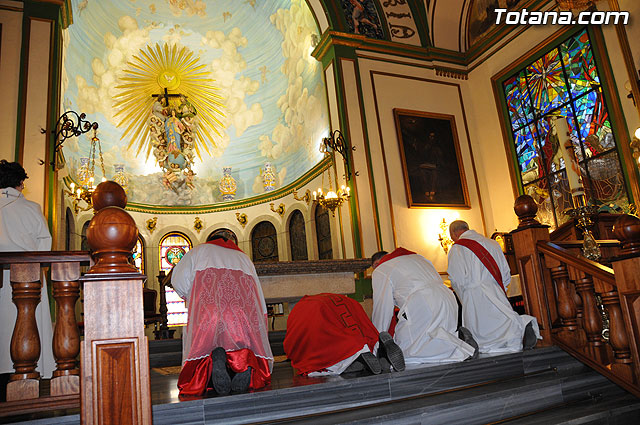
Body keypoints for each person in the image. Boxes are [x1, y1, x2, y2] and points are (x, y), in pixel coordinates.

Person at [171, 234, 273, 396]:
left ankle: (214, 363)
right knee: (242, 346)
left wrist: (189, 295)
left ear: (209, 240)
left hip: (207, 311)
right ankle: (243, 367)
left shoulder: (198, 252)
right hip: (240, 313)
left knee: (206, 348)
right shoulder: (244, 258)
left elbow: (178, 281)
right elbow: (257, 294)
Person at [0, 160, 56, 394]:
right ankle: (28, 372)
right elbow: (46, 245)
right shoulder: (30, 208)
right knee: (26, 324)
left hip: (3, 280)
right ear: (21, 183)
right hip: (27, 279)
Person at [447, 220, 540, 354]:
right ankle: (522, 326)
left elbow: (457, 279)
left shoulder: (457, 248)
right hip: (495, 288)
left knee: (482, 331)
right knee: (504, 320)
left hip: (474, 293)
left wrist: (464, 299)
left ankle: (517, 330)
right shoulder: (492, 243)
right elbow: (505, 272)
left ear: (454, 233)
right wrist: (500, 290)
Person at [371, 248, 476, 365]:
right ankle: (461, 344)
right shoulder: (419, 258)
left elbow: (382, 309)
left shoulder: (381, 270)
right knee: (438, 332)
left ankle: (458, 347)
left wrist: (376, 343)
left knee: (410, 348)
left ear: (378, 263)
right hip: (446, 296)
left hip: (421, 301)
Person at [284, 293, 404, 376]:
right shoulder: (319, 300)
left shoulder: (304, 308)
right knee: (351, 339)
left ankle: (357, 357)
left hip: (319, 309)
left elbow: (295, 344)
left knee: (322, 358)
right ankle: (378, 350)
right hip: (345, 303)